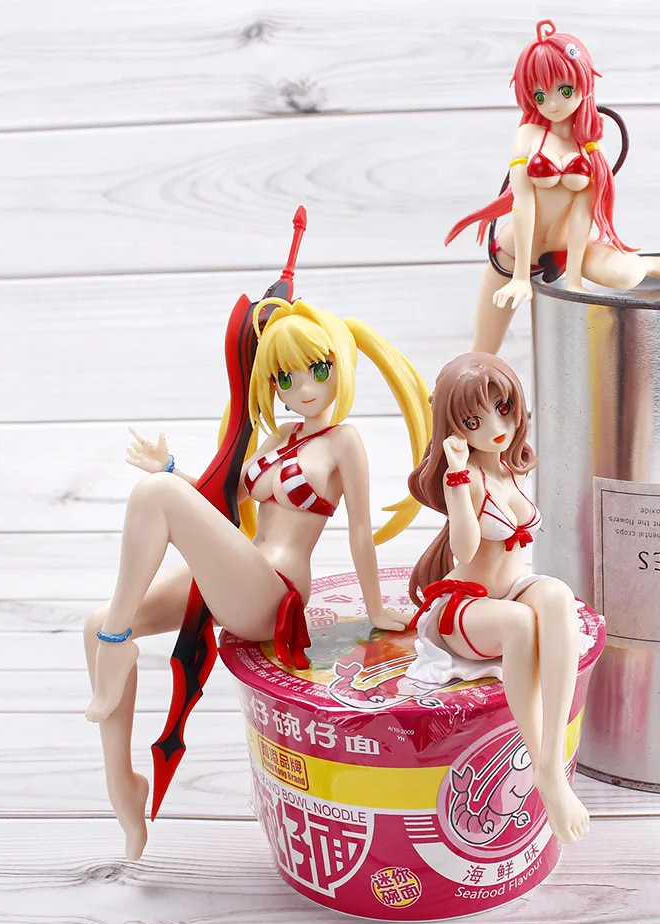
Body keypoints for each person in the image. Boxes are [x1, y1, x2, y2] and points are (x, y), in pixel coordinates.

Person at [84, 296, 431, 860]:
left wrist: (375, 609)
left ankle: (115, 643)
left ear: (342, 365)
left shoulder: (344, 441)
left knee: (155, 500)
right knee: (95, 618)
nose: (304, 388)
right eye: (285, 377)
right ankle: (123, 783)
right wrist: (171, 470)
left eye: (318, 369)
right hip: (243, 569)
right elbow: (216, 509)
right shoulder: (278, 439)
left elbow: (360, 532)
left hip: (274, 596)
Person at [407, 353, 592, 845]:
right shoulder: (467, 478)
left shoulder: (514, 470)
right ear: (454, 427)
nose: (495, 428)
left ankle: (550, 758)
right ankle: (546, 773)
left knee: (557, 595)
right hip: (465, 606)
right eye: (474, 421)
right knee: (519, 623)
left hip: (509, 590)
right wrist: (455, 477)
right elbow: (465, 548)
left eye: (503, 409)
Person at [447, 19, 660, 355]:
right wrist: (520, 276)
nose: (552, 104)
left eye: (563, 90)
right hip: (515, 250)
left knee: (623, 275)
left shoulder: (589, 148)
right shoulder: (528, 136)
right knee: (482, 351)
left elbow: (582, 214)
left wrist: (574, 278)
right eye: (539, 95)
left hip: (568, 248)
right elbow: (523, 203)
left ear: (583, 82)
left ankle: (649, 264)